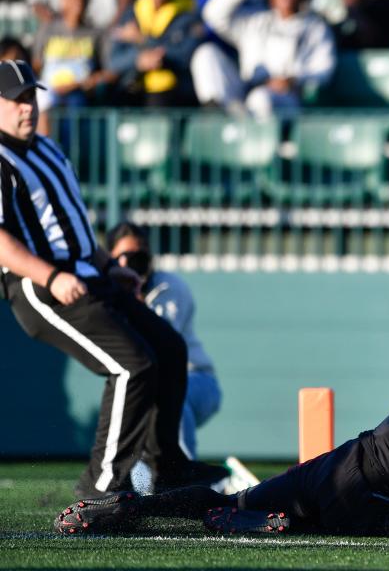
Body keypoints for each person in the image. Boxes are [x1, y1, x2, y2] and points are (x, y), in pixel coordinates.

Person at [54, 214, 389, 538]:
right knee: (253, 510)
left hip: (358, 474)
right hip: (376, 500)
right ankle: (206, 519)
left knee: (241, 501)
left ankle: (131, 509)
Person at [0, 60, 227, 499]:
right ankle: (101, 487)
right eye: (17, 99)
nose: (28, 107)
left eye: (32, 96)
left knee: (168, 348)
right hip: (41, 286)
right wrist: (52, 276)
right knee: (131, 367)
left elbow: (73, 228)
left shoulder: (47, 149)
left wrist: (108, 265)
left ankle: (166, 468)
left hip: (88, 274)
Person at [106, 222, 221, 461]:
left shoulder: (170, 286)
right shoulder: (107, 290)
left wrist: (134, 298)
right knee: (135, 424)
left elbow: (162, 347)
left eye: (141, 256)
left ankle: (185, 474)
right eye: (126, 256)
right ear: (112, 259)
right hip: (144, 384)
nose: (134, 263)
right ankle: (140, 490)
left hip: (196, 379)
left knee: (167, 397)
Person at [191, 0, 336, 117]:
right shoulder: (256, 20)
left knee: (260, 98)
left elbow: (323, 71)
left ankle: (259, 144)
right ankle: (217, 116)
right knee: (206, 53)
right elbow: (213, 14)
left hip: (286, 98)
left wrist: (292, 80)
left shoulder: (316, 27)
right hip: (244, 95)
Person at [32, 0, 115, 136]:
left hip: (80, 96)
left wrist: (91, 82)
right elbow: (36, 64)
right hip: (50, 95)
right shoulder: (47, 30)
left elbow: (109, 71)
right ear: (62, 0)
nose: (78, 3)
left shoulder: (96, 34)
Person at [108, 0, 205, 107]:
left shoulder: (188, 14)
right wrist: (138, 60)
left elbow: (186, 56)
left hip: (172, 94)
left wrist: (141, 40)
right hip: (132, 91)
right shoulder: (131, 14)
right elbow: (113, 61)